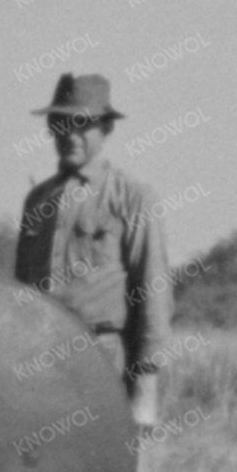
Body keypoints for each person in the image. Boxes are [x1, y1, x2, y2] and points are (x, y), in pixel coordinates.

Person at [16, 72, 170, 443]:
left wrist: (144, 393)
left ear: (105, 129)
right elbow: (18, 294)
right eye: (61, 123)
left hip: (104, 359)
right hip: (41, 360)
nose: (70, 135)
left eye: (83, 125)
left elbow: (153, 291)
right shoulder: (37, 200)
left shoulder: (132, 197)